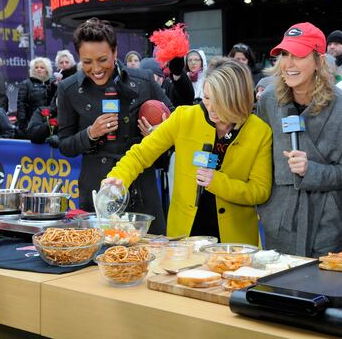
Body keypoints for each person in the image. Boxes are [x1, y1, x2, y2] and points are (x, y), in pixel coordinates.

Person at [104, 58, 272, 244]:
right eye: (207, 98)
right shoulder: (184, 117)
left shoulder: (260, 131)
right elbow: (141, 154)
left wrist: (218, 182)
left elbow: (260, 191)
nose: (211, 108)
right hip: (185, 237)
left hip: (235, 243)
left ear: (237, 99)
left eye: (220, 101)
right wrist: (118, 178)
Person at [56, 18, 173, 234]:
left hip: (142, 187)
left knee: (152, 256)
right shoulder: (68, 89)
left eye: (102, 59)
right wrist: (90, 133)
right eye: (87, 61)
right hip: (96, 191)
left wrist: (158, 133)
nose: (96, 69)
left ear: (115, 52)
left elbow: (175, 124)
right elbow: (65, 145)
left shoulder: (144, 80)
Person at [256, 22, 342, 257]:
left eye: (298, 55)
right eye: (284, 54)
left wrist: (311, 170)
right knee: (278, 288)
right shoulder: (269, 101)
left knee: (322, 289)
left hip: (325, 223)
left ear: (318, 60)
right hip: (279, 220)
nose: (288, 63)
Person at [15, 57, 55, 138]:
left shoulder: (53, 84)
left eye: (42, 67)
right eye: (36, 67)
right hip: (31, 124)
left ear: (47, 70)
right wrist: (23, 125)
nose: (38, 69)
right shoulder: (26, 84)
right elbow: (21, 105)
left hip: (49, 124)